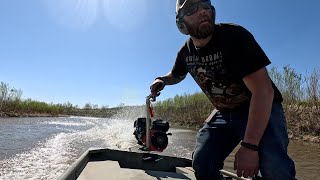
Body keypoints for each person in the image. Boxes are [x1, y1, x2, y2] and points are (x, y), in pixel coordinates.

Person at [149, 0, 296, 179]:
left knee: (275, 169)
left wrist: (250, 146)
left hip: (259, 106)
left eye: (205, 5)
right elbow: (177, 74)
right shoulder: (186, 53)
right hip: (224, 114)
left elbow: (263, 91)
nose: (202, 11)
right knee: (203, 162)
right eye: (191, 8)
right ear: (181, 23)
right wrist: (162, 80)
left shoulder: (234, 36)